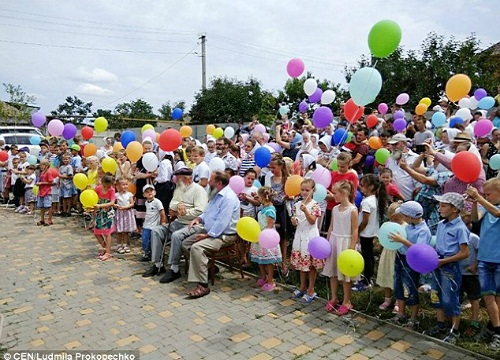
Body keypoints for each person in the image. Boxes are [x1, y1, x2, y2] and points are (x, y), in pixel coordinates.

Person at [183, 171, 240, 299]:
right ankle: (208, 267)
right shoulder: (215, 194)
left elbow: (222, 222)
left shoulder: (229, 198)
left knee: (197, 247)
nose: (208, 182)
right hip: (211, 232)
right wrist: (199, 219)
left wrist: (208, 235)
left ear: (219, 183)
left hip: (224, 235)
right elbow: (208, 212)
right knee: (185, 244)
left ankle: (203, 285)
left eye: (211, 180)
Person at [143, 167, 207, 281]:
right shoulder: (179, 189)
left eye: (178, 179)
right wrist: (177, 206)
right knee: (156, 231)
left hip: (193, 225)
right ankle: (158, 264)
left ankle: (174, 268)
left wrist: (182, 212)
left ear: (186, 179)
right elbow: (171, 205)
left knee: (176, 235)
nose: (175, 181)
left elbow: (200, 211)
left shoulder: (199, 190)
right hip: (178, 222)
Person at [424, 192, 469, 344]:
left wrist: (444, 261)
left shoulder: (460, 228)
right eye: (439, 205)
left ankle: (454, 330)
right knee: (435, 294)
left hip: (449, 266)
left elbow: (464, 253)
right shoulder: (442, 224)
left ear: (455, 209)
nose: (439, 208)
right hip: (437, 262)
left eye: (443, 206)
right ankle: (440, 323)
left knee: (450, 298)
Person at [466, 179, 500, 349]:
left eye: (489, 194)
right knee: (488, 296)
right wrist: (474, 204)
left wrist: (479, 198)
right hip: (485, 259)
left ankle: (496, 331)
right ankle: (494, 328)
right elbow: (474, 221)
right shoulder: (486, 207)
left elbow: (497, 213)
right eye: (485, 194)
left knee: (496, 298)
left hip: (498, 259)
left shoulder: (493, 208)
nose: (486, 197)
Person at [389, 201, 432, 330]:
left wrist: (402, 240)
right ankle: (401, 313)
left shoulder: (423, 230)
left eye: (403, 215)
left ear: (410, 217)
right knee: (398, 284)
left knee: (411, 287)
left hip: (412, 261)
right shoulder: (409, 226)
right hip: (400, 257)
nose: (402, 218)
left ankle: (413, 318)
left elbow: (418, 249)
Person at [323, 180, 358, 316]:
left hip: (345, 242)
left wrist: (352, 247)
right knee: (332, 272)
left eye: (335, 193)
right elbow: (331, 226)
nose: (333, 195)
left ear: (343, 194)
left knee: (344, 275)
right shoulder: (335, 209)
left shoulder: (352, 210)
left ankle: (346, 301)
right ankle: (333, 297)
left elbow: (355, 230)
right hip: (334, 241)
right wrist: (327, 241)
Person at [290, 179, 323, 304]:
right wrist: (294, 221)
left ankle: (311, 289)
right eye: (302, 190)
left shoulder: (315, 205)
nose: (304, 192)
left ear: (313, 191)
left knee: (311, 264)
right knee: (300, 263)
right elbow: (296, 221)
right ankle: (302, 286)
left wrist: (305, 211)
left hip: (310, 236)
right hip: (300, 235)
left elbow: (312, 221)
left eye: (307, 190)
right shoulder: (297, 204)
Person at [355, 174, 388, 290]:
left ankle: (366, 281)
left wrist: (358, 230)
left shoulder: (367, 202)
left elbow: (365, 220)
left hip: (366, 232)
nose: (360, 188)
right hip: (371, 232)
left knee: (366, 256)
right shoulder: (374, 199)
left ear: (370, 187)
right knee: (369, 256)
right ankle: (368, 278)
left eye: (363, 185)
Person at [250, 186, 282, 291]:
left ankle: (270, 280)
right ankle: (263, 276)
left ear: (264, 198)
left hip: (267, 238)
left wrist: (264, 236)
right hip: (259, 236)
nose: (258, 198)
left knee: (268, 261)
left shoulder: (270, 210)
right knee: (260, 258)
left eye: (259, 197)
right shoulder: (263, 207)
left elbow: (270, 225)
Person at [376, 202, 404, 313]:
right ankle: (387, 299)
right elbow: (382, 239)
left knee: (397, 278)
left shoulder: (405, 227)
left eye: (397, 219)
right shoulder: (387, 225)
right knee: (387, 274)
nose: (395, 221)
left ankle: (398, 300)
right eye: (393, 219)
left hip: (399, 255)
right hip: (388, 253)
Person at [140, 184, 167, 262]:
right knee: (145, 240)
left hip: (154, 226)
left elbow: (162, 212)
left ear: (154, 192)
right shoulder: (146, 203)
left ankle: (153, 253)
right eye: (147, 192)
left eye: (151, 191)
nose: (149, 193)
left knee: (152, 240)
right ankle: (146, 253)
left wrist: (162, 223)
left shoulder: (157, 202)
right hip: (146, 225)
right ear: (144, 194)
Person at [93, 174, 116, 261]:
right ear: (102, 182)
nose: (106, 188)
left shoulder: (112, 190)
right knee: (96, 232)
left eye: (108, 186)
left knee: (107, 233)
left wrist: (100, 205)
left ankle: (108, 252)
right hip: (99, 213)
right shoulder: (98, 188)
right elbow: (93, 198)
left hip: (107, 213)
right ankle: (106, 248)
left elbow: (112, 202)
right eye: (105, 186)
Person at [114, 179, 136, 254]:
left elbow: (132, 203)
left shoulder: (129, 194)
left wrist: (126, 207)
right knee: (120, 231)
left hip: (127, 213)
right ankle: (119, 245)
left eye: (126, 184)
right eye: (123, 184)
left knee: (126, 231)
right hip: (120, 214)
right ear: (118, 186)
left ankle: (125, 245)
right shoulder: (116, 195)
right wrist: (116, 205)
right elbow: (113, 203)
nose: (125, 186)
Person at [36, 159, 55, 226]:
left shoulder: (48, 172)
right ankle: (42, 219)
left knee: (48, 205)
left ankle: (49, 219)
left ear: (46, 165)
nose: (41, 166)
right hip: (41, 191)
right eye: (40, 165)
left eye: (42, 165)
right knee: (41, 206)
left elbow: (52, 182)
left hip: (47, 191)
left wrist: (42, 183)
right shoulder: (42, 172)